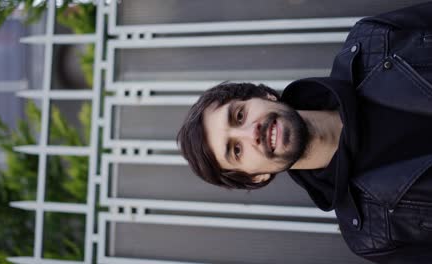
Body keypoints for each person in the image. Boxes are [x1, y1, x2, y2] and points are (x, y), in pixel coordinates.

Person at [176, 2, 432, 263]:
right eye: (236, 150)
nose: (250, 132)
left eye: (239, 115)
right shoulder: (374, 234)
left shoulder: (374, 42)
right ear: (256, 178)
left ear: (263, 95)